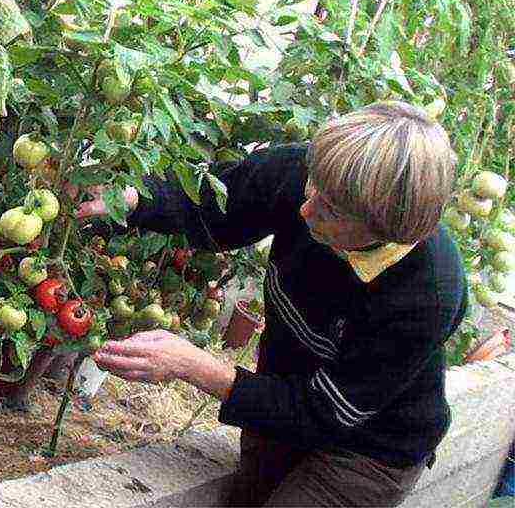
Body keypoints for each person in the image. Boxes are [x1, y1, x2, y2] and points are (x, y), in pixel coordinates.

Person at [77, 101, 467, 507]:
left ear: (383, 227)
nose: (305, 208)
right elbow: (215, 209)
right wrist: (130, 198)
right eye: (313, 185)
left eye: (330, 210)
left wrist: (194, 366)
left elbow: (325, 413)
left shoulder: (426, 290)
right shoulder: (313, 176)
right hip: (281, 402)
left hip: (369, 447)